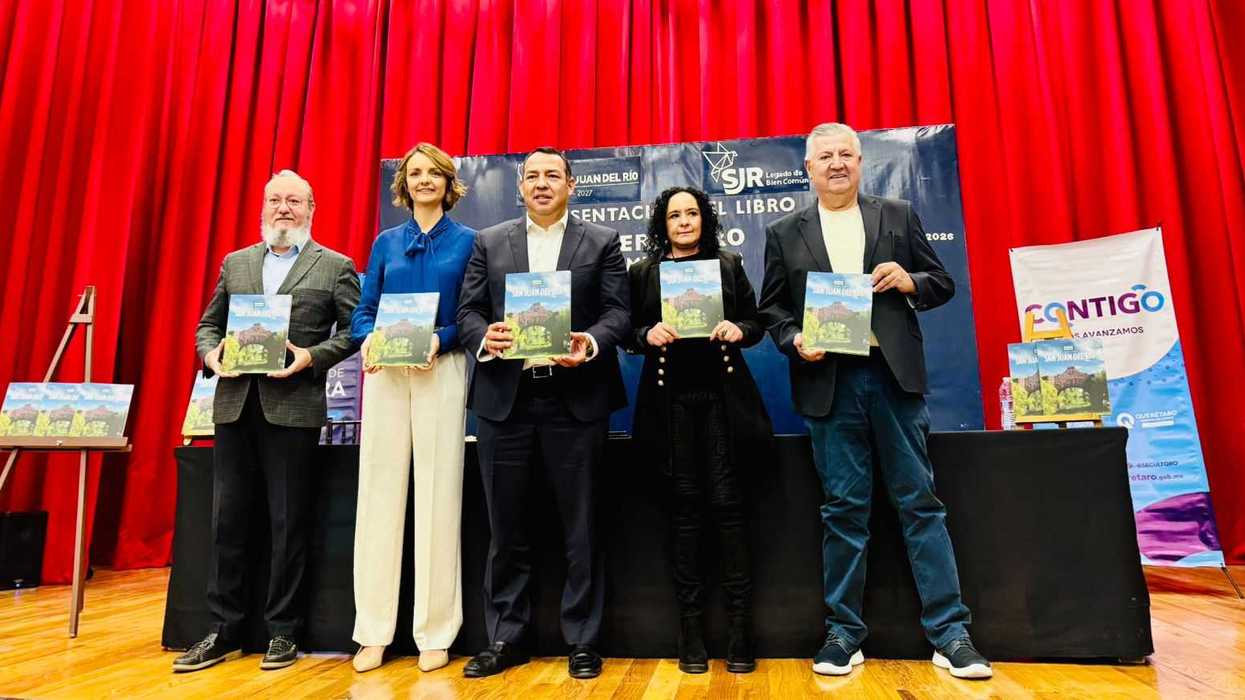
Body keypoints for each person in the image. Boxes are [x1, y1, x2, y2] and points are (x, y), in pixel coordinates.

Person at [758, 123, 992, 680]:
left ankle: (950, 634)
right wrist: (795, 340)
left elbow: (941, 283)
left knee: (920, 504)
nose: (836, 164)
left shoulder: (897, 213)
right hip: (828, 386)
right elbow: (771, 310)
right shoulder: (783, 230)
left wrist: (909, 280)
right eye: (825, 157)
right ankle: (843, 634)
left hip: (893, 380)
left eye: (846, 154)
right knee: (843, 512)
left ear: (861, 162)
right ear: (808, 167)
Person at [176, 170, 360, 673]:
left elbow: (356, 332)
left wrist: (310, 357)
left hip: (294, 409)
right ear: (263, 208)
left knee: (287, 523)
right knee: (227, 522)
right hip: (235, 405)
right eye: (275, 200)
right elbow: (208, 324)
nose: (284, 208)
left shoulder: (336, 266)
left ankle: (283, 631)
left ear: (311, 209)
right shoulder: (236, 264)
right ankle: (222, 630)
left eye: (294, 201)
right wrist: (210, 355)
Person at [456, 147, 629, 680]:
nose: (542, 183)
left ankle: (583, 640)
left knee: (581, 528)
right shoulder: (489, 242)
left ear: (571, 185)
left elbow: (619, 312)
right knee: (505, 529)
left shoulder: (600, 241)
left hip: (574, 401)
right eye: (532, 176)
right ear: (520, 188)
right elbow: (467, 311)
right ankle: (507, 637)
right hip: (505, 403)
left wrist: (590, 343)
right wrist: (486, 335)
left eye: (553, 174)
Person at [625, 187, 772, 674]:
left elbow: (756, 321)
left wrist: (739, 330)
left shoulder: (728, 265)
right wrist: (647, 334)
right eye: (675, 215)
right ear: (662, 224)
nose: (684, 222)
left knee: (730, 511)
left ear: (704, 219)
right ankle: (689, 632)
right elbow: (626, 333)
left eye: (691, 213)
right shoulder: (643, 273)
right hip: (670, 408)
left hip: (723, 404)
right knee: (684, 513)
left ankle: (740, 631)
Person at [348, 143, 476, 673]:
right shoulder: (385, 243)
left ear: (448, 182)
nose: (423, 180)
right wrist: (366, 342)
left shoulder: (469, 243)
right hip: (386, 376)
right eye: (414, 173)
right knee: (378, 494)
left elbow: (473, 313)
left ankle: (434, 632)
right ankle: (373, 631)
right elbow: (365, 310)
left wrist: (440, 340)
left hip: (439, 370)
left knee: (438, 496)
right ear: (404, 184)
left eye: (433, 173)